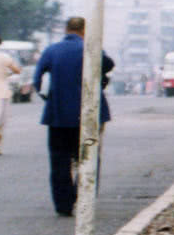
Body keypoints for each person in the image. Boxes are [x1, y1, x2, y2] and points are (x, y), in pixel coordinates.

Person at [34, 17, 114, 217]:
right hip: (90, 114)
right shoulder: (91, 48)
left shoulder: (51, 51)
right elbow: (108, 65)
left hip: (58, 115)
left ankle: (63, 204)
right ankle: (84, 195)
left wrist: (51, 98)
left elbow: (38, 80)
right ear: (84, 30)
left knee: (59, 160)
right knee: (88, 157)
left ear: (66, 29)